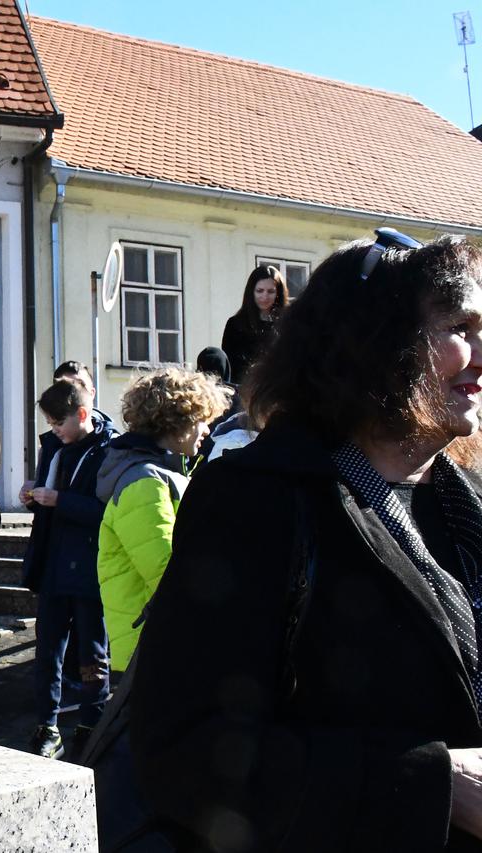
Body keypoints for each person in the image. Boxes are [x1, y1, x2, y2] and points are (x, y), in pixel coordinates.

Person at [131, 231, 482, 850]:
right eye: (462, 326)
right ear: (373, 339)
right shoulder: (257, 499)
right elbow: (184, 748)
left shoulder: (466, 504)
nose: (481, 354)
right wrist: (434, 787)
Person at [95, 367, 230, 673]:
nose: (207, 430)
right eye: (201, 420)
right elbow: (166, 571)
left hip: (163, 640)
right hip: (154, 645)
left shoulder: (162, 475)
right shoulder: (145, 482)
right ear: (177, 420)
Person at [21, 379, 115, 760]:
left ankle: (92, 724)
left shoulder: (110, 450)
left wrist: (60, 500)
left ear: (81, 414)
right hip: (53, 564)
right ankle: (47, 724)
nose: (54, 430)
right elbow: (47, 496)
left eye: (58, 422)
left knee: (93, 654)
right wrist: (33, 495)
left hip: (90, 568)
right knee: (48, 652)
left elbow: (108, 512)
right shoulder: (54, 447)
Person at [221, 264, 289, 384]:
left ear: (278, 293)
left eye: (271, 291)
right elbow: (230, 365)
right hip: (243, 390)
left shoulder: (287, 325)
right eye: (260, 291)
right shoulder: (235, 325)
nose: (265, 296)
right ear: (251, 292)